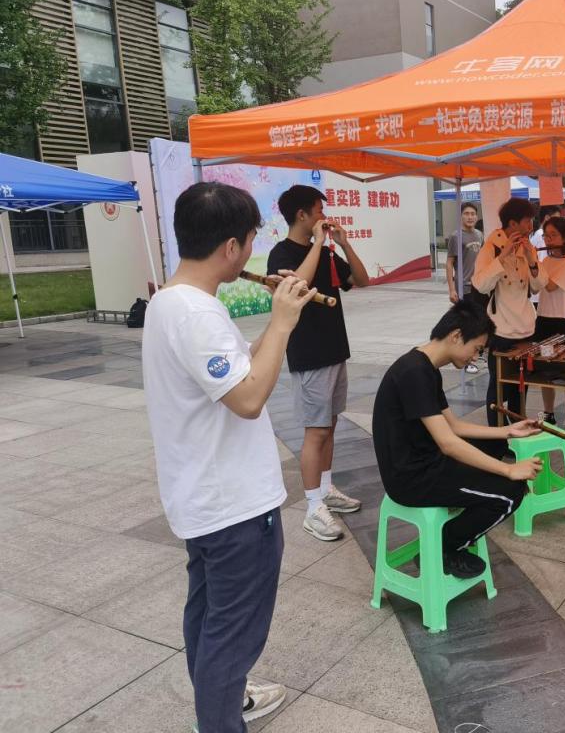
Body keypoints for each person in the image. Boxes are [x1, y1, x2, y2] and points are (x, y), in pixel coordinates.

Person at [143, 182, 309, 732]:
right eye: (251, 241)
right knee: (232, 636)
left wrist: (281, 322)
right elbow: (248, 398)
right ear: (233, 246)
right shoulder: (197, 315)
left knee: (209, 617)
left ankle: (223, 705)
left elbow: (237, 372)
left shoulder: (171, 301)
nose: (251, 254)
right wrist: (281, 322)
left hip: (204, 497)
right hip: (233, 505)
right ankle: (219, 718)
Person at [372, 299, 543, 577]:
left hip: (425, 461)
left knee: (495, 445)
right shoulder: (415, 373)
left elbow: (453, 426)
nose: (475, 358)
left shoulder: (424, 366)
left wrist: (507, 431)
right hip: (411, 479)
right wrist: (509, 470)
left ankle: (458, 520)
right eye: (476, 349)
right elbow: (448, 442)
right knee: (510, 493)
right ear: (456, 335)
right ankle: (444, 547)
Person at [267, 185, 369, 543]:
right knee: (316, 431)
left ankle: (326, 489)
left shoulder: (325, 252)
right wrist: (318, 244)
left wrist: (344, 244)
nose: (324, 217)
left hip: (335, 350)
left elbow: (362, 279)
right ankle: (313, 508)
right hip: (309, 354)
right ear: (302, 216)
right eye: (319, 211)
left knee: (330, 425)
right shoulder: (281, 253)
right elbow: (299, 284)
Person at [472, 197, 542, 426]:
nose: (531, 226)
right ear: (512, 224)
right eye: (527, 221)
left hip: (526, 328)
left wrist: (531, 260)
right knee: (498, 387)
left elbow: (538, 286)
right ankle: (497, 435)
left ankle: (517, 429)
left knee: (520, 386)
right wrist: (503, 257)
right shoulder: (491, 246)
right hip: (501, 330)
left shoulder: (528, 246)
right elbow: (480, 284)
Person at [534, 214, 565, 434]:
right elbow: (535, 286)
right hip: (543, 319)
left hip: (563, 322)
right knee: (546, 372)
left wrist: (533, 264)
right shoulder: (545, 261)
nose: (548, 240)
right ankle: (548, 413)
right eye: (546, 235)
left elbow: (551, 286)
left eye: (553, 235)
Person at [446, 201, 486, 376]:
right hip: (464, 288)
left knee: (478, 323)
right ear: (461, 216)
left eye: (473, 214)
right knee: (466, 325)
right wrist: (451, 289)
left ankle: (476, 354)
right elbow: (449, 263)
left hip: (479, 287)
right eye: (466, 214)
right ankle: (466, 361)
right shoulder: (456, 236)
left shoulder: (479, 235)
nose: (470, 217)